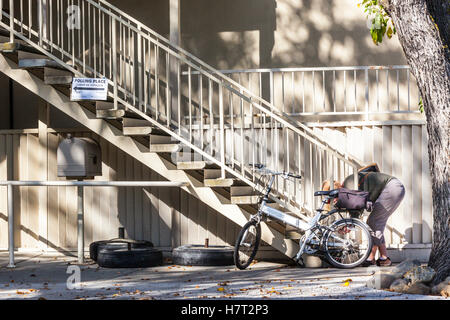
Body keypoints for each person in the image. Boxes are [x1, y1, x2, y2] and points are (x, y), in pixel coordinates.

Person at [340, 170, 405, 267]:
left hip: (391, 188)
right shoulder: (351, 182)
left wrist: (350, 224)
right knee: (376, 223)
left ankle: (371, 257)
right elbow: (358, 205)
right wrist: (350, 224)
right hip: (394, 187)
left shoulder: (349, 184)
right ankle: (384, 258)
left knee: (374, 222)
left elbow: (356, 204)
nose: (336, 201)